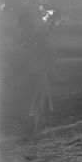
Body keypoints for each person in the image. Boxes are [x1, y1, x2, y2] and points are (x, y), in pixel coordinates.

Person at [17, 9, 57, 140]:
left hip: (39, 74)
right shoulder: (23, 38)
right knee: (31, 103)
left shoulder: (38, 37)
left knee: (36, 103)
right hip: (27, 74)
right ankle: (35, 129)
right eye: (22, 24)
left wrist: (47, 67)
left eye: (26, 23)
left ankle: (34, 131)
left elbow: (50, 53)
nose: (24, 26)